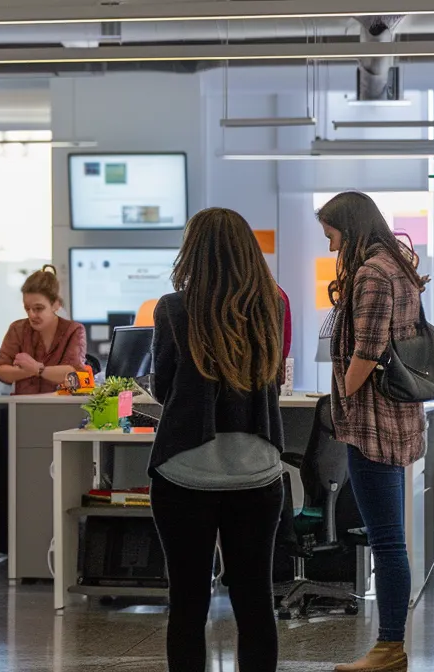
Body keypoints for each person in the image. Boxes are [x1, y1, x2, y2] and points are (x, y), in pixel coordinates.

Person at [147, 207, 287, 672]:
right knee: (255, 599)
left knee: (187, 601)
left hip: (186, 474)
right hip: (258, 472)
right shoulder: (273, 304)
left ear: (194, 251)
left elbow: (163, 389)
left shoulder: (172, 308)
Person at [319, 191, 426, 672]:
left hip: (372, 423)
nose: (331, 248)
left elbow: (367, 349)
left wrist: (342, 389)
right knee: (391, 534)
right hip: (395, 418)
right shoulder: (397, 267)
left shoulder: (372, 273)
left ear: (351, 228)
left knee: (385, 539)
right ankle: (390, 646)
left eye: (332, 236)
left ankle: (389, 647)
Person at [0, 264, 86, 394]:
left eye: (39, 308)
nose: (32, 315)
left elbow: (77, 378)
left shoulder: (74, 330)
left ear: (56, 304)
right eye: (27, 309)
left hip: (62, 408)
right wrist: (29, 370)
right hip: (22, 408)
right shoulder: (17, 329)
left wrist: (37, 369)